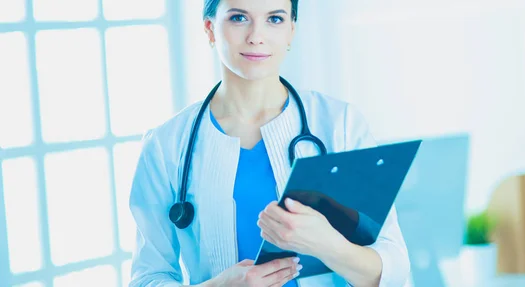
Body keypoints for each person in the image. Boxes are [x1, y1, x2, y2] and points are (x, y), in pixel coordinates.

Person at [128, 0, 411, 286]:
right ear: (210, 29)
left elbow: (395, 268)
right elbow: (148, 277)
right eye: (239, 18)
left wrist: (327, 244)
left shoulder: (341, 125)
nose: (256, 36)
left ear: (291, 30)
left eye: (274, 19)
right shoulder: (166, 145)